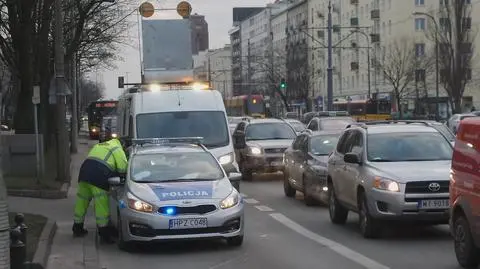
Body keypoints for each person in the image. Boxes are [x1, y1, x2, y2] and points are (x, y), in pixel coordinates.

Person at [72, 138, 128, 243]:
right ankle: (104, 234)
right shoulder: (117, 148)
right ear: (123, 145)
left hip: (84, 172)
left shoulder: (100, 145)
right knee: (101, 204)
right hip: (99, 176)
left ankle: (77, 227)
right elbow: (122, 168)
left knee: (82, 201)